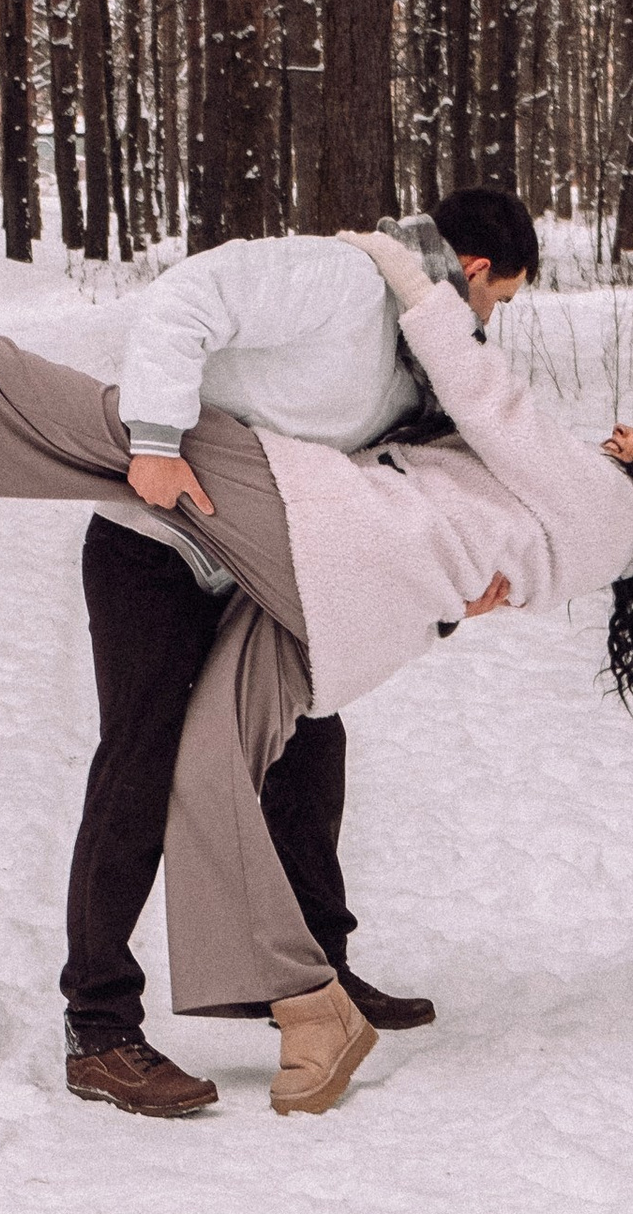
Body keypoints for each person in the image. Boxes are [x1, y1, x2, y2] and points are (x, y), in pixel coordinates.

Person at [0, 221, 633, 1119]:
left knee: (191, 452)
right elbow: (457, 483)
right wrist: (456, 588)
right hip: (287, 567)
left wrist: (407, 281)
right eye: (493, 298)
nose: (627, 430)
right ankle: (307, 1004)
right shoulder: (350, 298)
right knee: (200, 764)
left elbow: (491, 407)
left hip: (329, 546)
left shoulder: (602, 501)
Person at [47, 193, 539, 1120]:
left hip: (261, 570)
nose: (488, 325)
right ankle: (99, 1027)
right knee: (142, 763)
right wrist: (154, 440)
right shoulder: (342, 280)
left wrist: (450, 594)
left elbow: (390, 510)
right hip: (156, 543)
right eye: (498, 302)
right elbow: (187, 297)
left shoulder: (420, 373)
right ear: (473, 272)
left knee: (311, 743)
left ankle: (317, 975)